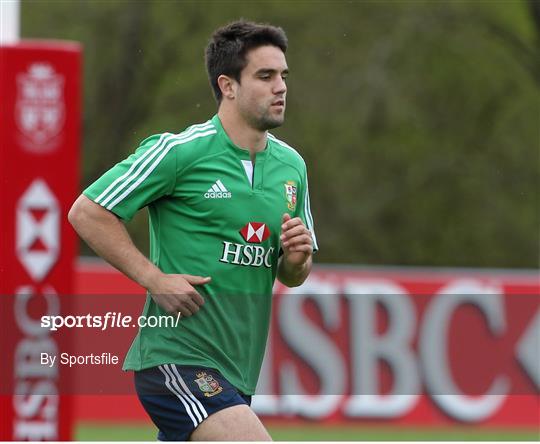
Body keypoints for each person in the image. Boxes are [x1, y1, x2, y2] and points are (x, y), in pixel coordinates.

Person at [68, 20, 317, 441]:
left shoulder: (292, 167)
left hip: (238, 372)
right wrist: (154, 279)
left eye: (283, 76)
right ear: (228, 85)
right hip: (175, 358)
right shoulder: (179, 152)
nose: (281, 87)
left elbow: (292, 275)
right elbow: (87, 211)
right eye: (265, 75)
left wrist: (296, 259)